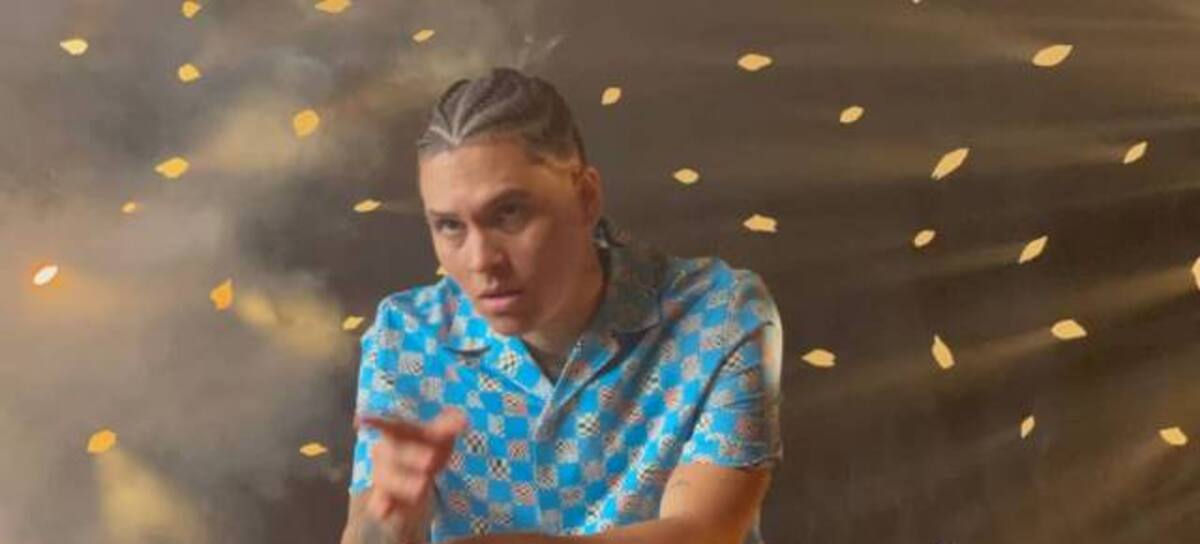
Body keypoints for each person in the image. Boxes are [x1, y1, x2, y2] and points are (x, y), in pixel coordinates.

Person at [341, 67, 784, 544]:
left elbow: (705, 533)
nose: (481, 260)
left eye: (509, 213)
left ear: (586, 196)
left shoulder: (718, 314)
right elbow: (367, 531)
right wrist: (387, 526)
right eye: (450, 226)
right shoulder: (404, 337)